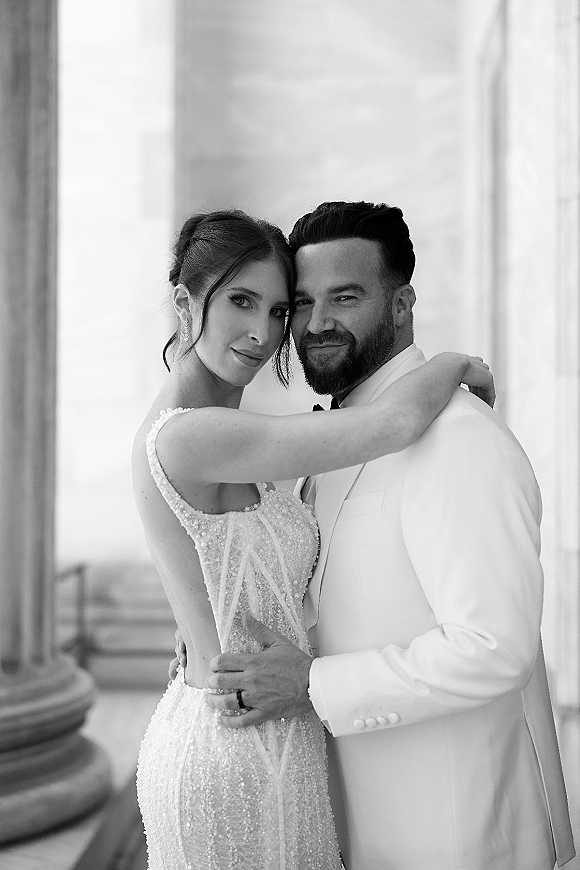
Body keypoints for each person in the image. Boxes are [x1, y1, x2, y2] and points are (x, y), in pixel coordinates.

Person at [199, 202, 575, 870]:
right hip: (360, 822)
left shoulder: (459, 440)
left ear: (402, 304)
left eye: (345, 298)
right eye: (303, 303)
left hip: (460, 830)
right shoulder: (337, 435)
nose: (315, 325)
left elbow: (494, 647)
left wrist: (313, 685)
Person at [133, 207, 493, 870]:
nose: (264, 334)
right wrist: (453, 363)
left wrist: (207, 610)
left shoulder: (212, 425)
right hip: (234, 754)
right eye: (241, 301)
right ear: (185, 303)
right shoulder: (190, 434)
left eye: (277, 311)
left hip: (269, 726)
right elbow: (392, 425)